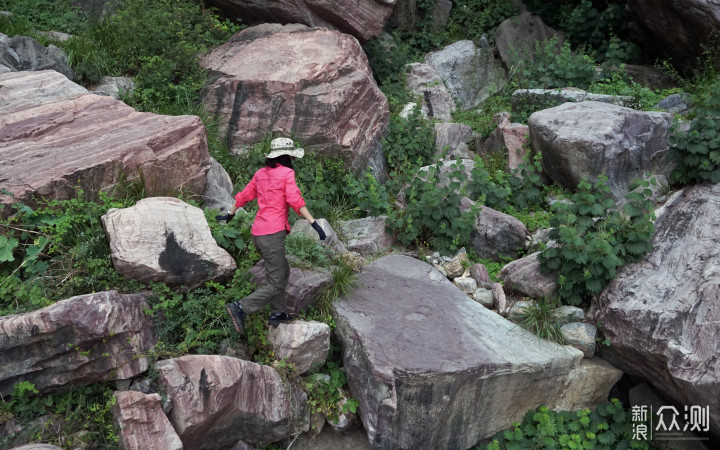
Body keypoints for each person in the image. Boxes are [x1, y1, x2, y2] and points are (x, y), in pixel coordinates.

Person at [216, 137, 326, 335]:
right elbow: (295, 200)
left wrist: (230, 213)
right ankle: (241, 307)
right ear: (287, 157)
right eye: (291, 156)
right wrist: (314, 223)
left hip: (258, 234)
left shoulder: (260, 174)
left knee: (282, 271)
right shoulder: (287, 173)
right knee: (276, 282)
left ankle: (278, 313)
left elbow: (244, 195)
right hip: (272, 235)